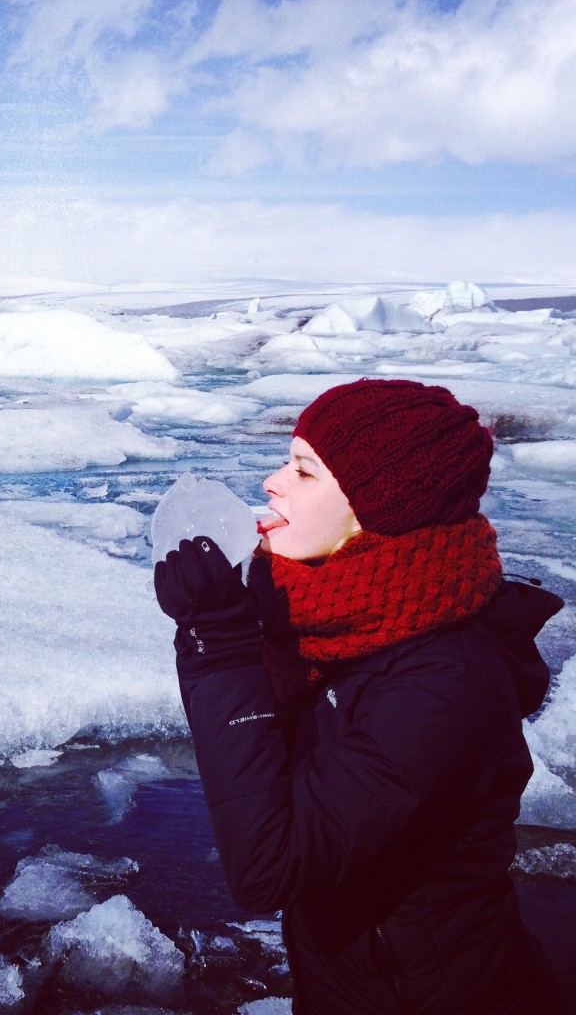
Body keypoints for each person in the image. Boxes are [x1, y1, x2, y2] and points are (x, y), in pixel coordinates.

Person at [153, 378, 566, 1014]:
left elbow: (271, 865)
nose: (272, 482)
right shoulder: (329, 624)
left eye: (304, 471)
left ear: (380, 509)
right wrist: (234, 625)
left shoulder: (446, 681)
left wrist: (223, 648)